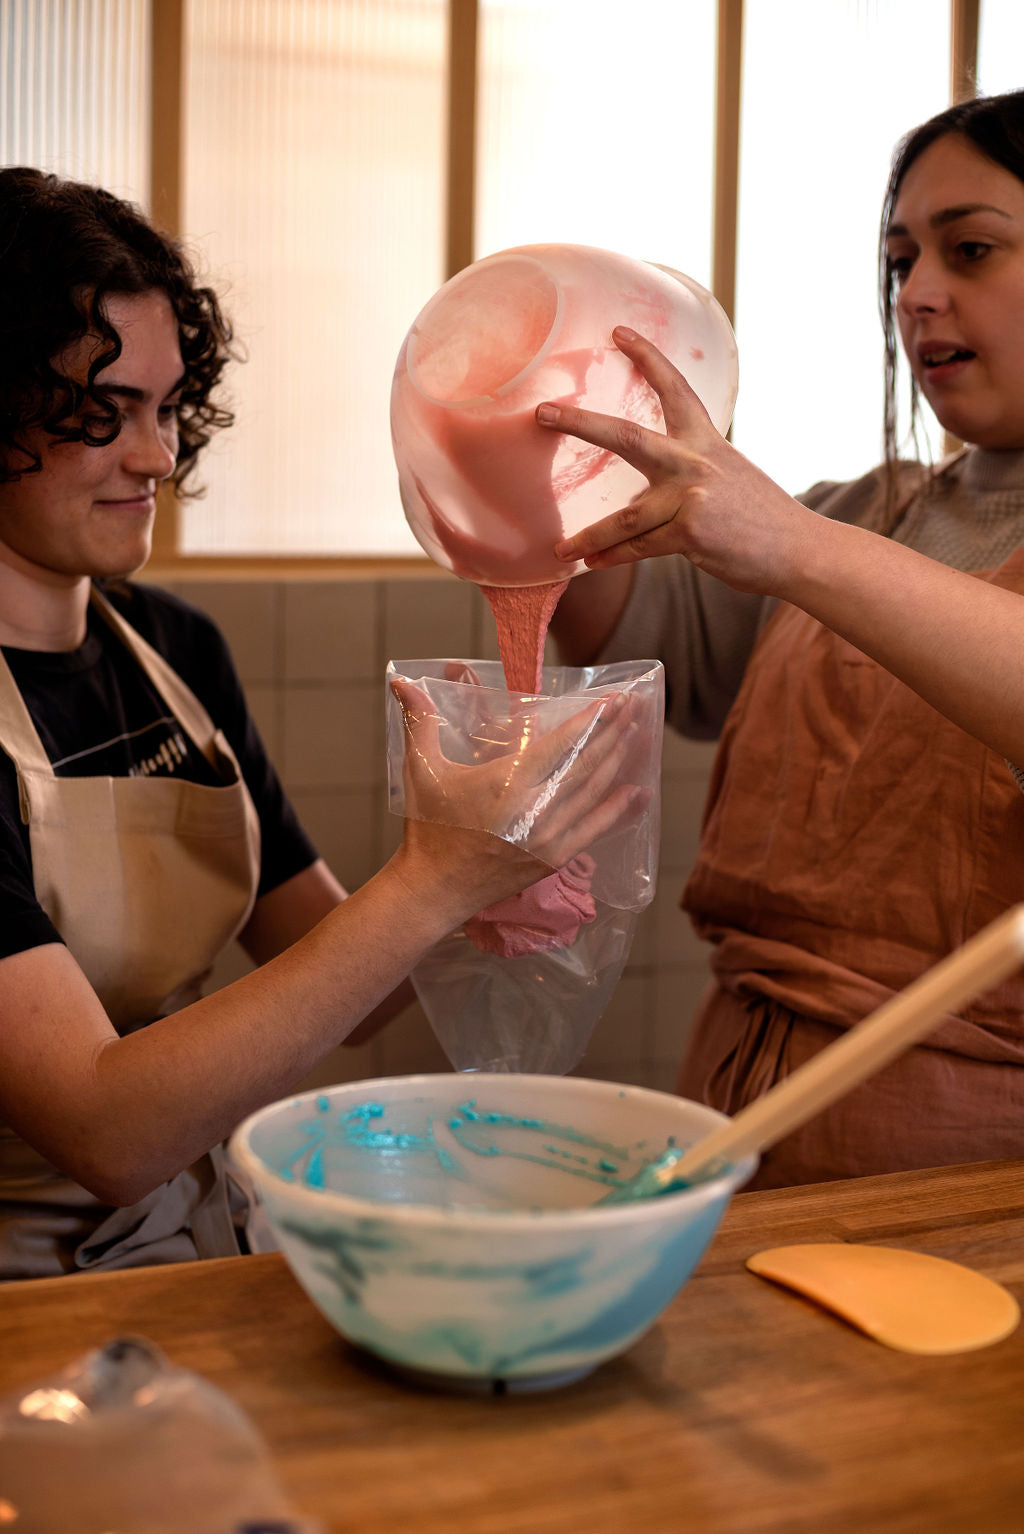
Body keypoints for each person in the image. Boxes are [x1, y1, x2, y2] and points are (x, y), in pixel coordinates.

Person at [0, 167, 635, 1277]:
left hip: (186, 1248)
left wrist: (490, 876)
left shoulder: (172, 654)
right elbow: (105, 1128)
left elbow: (335, 979)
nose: (155, 458)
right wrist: (434, 879)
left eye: (164, 407)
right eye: (101, 414)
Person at [542, 89, 1024, 1189]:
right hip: (733, 1119)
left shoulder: (814, 539)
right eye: (900, 260)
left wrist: (789, 545)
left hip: (967, 1182)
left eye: (972, 249)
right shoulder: (862, 508)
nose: (917, 295)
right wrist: (533, 475)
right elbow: (659, 642)